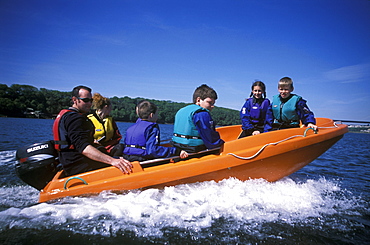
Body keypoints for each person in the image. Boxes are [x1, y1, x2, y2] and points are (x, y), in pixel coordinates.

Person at [53, 85, 132, 177]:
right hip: (79, 164)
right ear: (74, 100)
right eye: (85, 100)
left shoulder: (67, 115)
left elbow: (76, 140)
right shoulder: (75, 119)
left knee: (121, 157)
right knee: (127, 163)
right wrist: (112, 161)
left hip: (70, 161)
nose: (89, 104)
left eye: (91, 100)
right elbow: (83, 147)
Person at [123, 100, 188, 161]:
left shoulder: (130, 128)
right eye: (157, 114)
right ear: (151, 115)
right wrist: (176, 151)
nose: (157, 116)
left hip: (127, 157)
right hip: (142, 159)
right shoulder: (152, 128)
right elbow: (153, 150)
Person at [171, 84, 225, 153]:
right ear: (198, 100)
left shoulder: (181, 110)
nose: (212, 106)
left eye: (213, 103)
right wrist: (221, 143)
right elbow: (209, 137)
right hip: (192, 148)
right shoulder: (202, 113)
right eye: (209, 102)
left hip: (177, 146)